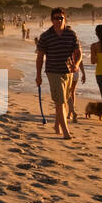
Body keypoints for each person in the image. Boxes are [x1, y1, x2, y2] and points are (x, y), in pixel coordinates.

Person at [35, 8, 80, 140]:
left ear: (65, 18)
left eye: (61, 18)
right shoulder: (45, 36)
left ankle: (56, 125)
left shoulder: (71, 34)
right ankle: (66, 132)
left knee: (64, 101)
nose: (58, 20)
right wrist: (38, 75)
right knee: (60, 102)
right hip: (53, 71)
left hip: (68, 72)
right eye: (56, 18)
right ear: (51, 20)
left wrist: (76, 64)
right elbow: (40, 57)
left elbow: (78, 52)